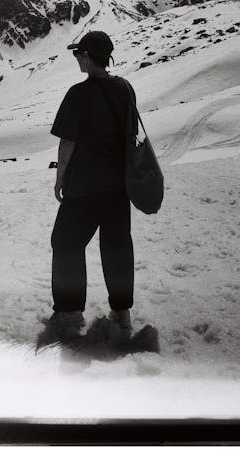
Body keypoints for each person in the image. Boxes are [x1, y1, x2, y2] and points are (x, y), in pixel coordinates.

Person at [48, 30, 137, 334]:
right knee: (117, 246)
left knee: (66, 243)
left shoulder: (78, 94)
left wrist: (60, 178)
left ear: (87, 56)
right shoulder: (125, 88)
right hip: (118, 186)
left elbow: (67, 143)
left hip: (85, 186)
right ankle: (122, 313)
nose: (76, 59)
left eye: (78, 54)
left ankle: (70, 313)